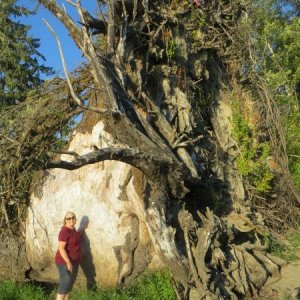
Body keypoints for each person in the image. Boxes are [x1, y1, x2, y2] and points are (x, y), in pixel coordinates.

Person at [55, 212, 88, 300]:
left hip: (75, 262)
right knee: (65, 282)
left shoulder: (73, 230)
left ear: (76, 219)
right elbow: (61, 248)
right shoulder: (64, 231)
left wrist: (82, 229)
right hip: (64, 261)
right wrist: (68, 262)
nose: (71, 219)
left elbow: (75, 239)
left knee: (70, 284)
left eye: (73, 217)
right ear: (65, 221)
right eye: (68, 218)